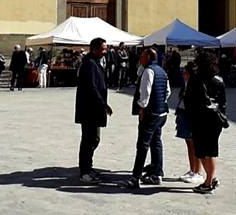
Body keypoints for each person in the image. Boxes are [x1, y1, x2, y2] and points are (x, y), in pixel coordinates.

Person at [124, 46, 171, 188]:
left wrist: (142, 108)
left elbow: (145, 92)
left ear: (148, 57)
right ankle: (157, 173)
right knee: (156, 142)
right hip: (162, 113)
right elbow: (167, 92)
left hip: (151, 113)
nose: (140, 58)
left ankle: (135, 177)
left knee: (143, 145)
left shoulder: (149, 71)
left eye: (143, 56)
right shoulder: (162, 71)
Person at [184, 50, 227, 193]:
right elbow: (223, 102)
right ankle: (211, 177)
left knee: (201, 151)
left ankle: (208, 182)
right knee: (211, 150)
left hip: (200, 119)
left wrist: (189, 117)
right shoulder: (219, 80)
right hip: (215, 120)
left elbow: (188, 100)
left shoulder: (195, 79)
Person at [75, 37, 113, 184]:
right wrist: (103, 104)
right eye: (103, 49)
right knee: (89, 139)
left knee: (93, 139)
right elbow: (91, 87)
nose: (106, 51)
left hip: (94, 108)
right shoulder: (89, 64)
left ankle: (88, 167)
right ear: (94, 49)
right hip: (89, 109)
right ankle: (84, 171)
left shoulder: (95, 62)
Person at [175, 62, 203, 183]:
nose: (183, 75)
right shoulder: (186, 84)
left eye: (185, 72)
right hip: (183, 113)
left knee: (194, 144)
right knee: (188, 143)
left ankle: (197, 171)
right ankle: (192, 169)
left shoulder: (196, 85)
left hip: (191, 116)